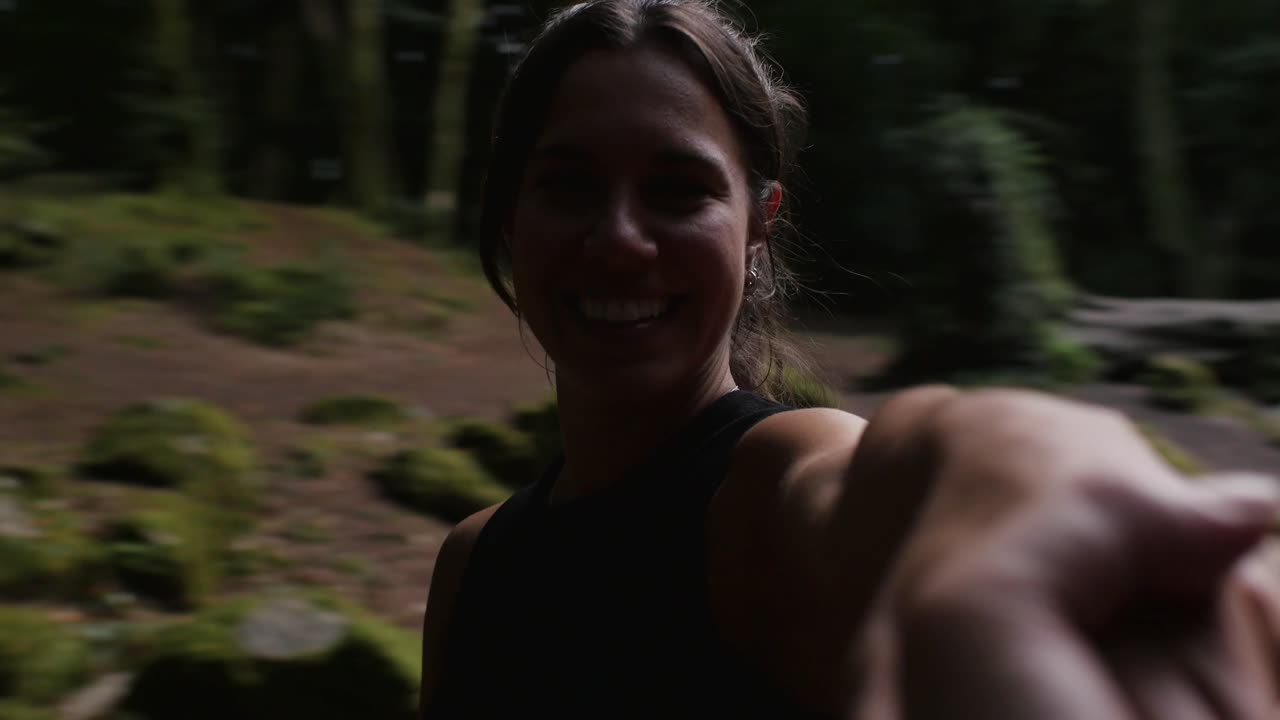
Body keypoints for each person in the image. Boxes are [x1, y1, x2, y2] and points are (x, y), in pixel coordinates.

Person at [417, 1, 1280, 717]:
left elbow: (885, 489)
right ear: (507, 217)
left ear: (760, 226)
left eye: (680, 190)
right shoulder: (471, 565)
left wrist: (1027, 481)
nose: (619, 240)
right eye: (568, 185)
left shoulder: (769, 487)